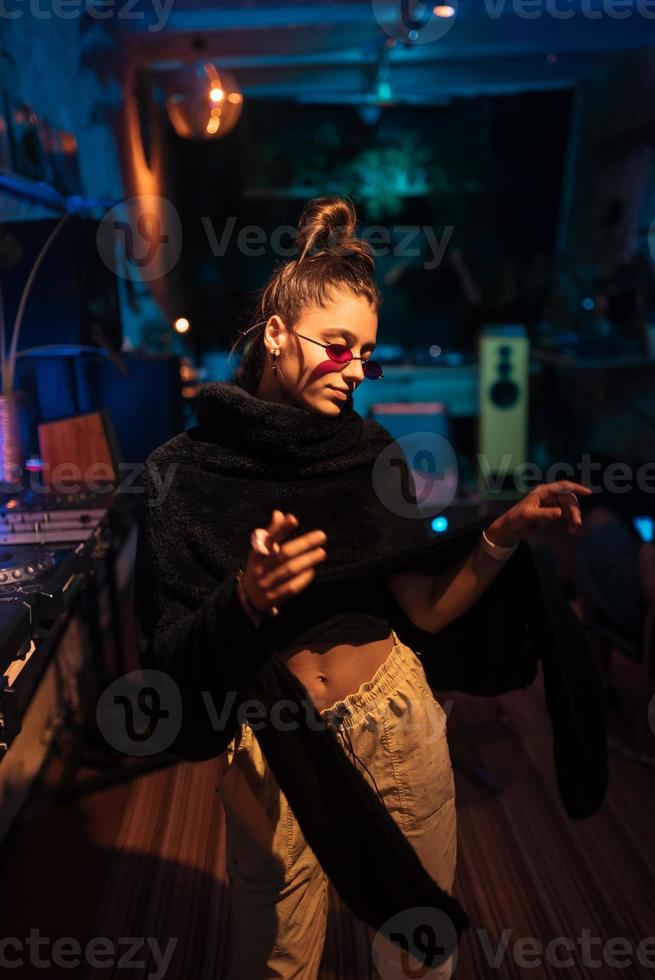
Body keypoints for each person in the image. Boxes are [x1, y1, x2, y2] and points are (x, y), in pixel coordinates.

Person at [138, 195, 593, 979]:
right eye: (337, 346)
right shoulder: (187, 473)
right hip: (273, 747)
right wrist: (242, 602)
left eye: (366, 355)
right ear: (276, 331)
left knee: (416, 952)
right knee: (273, 961)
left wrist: (501, 532)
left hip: (398, 723)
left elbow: (425, 609)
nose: (354, 371)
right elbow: (172, 659)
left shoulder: (367, 453)